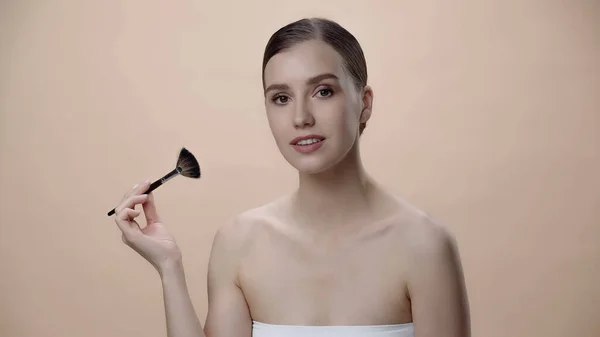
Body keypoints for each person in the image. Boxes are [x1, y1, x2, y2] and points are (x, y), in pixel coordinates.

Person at [112, 17, 471, 337]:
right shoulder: (240, 243)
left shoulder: (424, 246)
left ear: (365, 103)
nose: (301, 117)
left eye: (323, 91)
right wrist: (169, 266)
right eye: (281, 98)